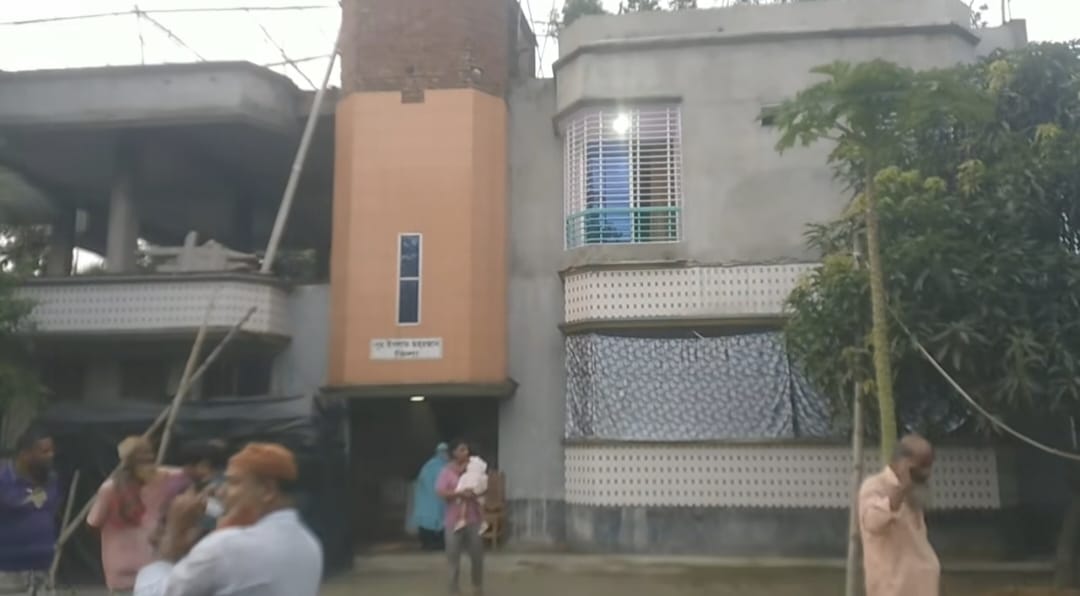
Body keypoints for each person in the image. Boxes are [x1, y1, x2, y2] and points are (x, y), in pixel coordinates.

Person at [156, 442, 323, 596]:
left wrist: (173, 533)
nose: (221, 492)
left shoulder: (226, 546)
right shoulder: (309, 543)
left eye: (233, 482)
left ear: (268, 491)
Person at [88, 436, 187, 593]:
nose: (149, 465)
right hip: (146, 568)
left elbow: (93, 522)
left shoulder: (110, 488)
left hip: (128, 566)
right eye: (144, 460)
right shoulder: (112, 489)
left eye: (149, 459)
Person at [859, 434, 940, 596]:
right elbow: (872, 522)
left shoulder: (915, 492)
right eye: (921, 467)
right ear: (902, 462)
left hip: (923, 585)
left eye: (929, 467)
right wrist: (902, 489)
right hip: (893, 588)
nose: (927, 474)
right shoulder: (875, 486)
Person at [0, 427, 59, 594]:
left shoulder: (51, 480)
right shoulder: (3, 480)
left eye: (52, 450)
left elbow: (51, 510)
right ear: (25, 454)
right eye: (44, 451)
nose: (51, 455)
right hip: (8, 572)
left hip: (42, 570)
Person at [436, 439, 485, 596]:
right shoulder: (446, 471)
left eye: (466, 450)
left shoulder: (474, 468)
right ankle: (453, 589)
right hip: (453, 520)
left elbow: (483, 487)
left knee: (477, 555)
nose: (466, 453)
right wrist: (459, 493)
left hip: (473, 519)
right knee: (453, 557)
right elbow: (441, 492)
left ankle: (477, 587)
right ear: (454, 452)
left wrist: (475, 492)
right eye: (462, 450)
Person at [176, 439, 228, 534]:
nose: (184, 470)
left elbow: (207, 524)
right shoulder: (197, 486)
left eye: (186, 465)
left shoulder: (217, 491)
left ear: (203, 465)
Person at [411, 442, 449, 551]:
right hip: (431, 499)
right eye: (443, 452)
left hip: (433, 499)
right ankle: (430, 543)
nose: (445, 454)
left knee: (436, 519)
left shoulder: (434, 465)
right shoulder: (433, 466)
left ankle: (433, 543)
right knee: (431, 519)